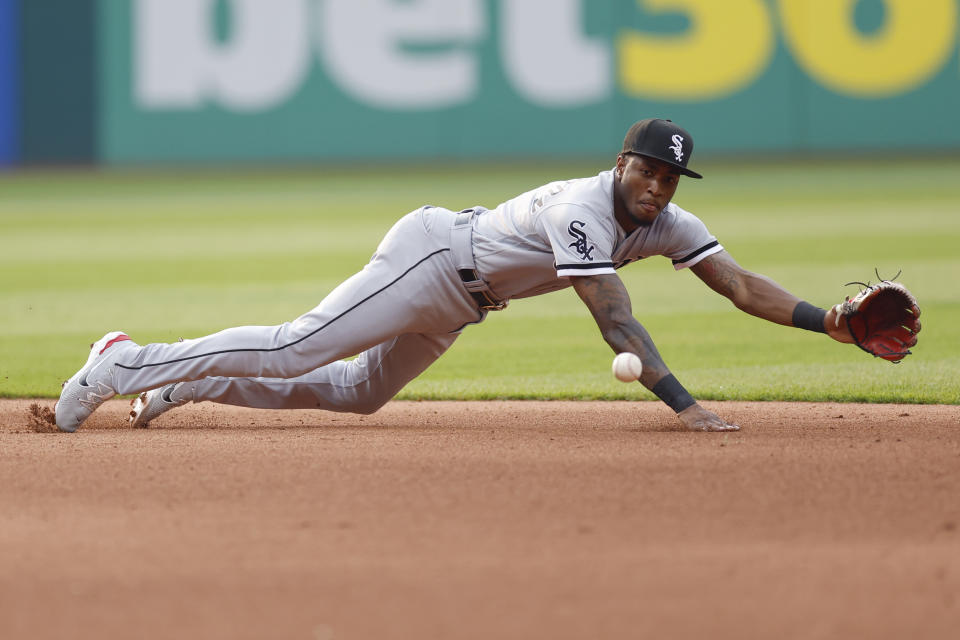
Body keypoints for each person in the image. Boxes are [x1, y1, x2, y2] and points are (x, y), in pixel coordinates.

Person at [55, 118, 856, 434]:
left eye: (670, 181)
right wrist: (685, 405)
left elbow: (742, 286)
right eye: (647, 171)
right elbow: (613, 317)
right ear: (621, 164)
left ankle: (186, 383)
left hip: (467, 300)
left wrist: (830, 322)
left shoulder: (668, 224)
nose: (657, 188)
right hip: (434, 257)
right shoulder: (584, 208)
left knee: (356, 394)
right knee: (299, 347)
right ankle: (122, 361)